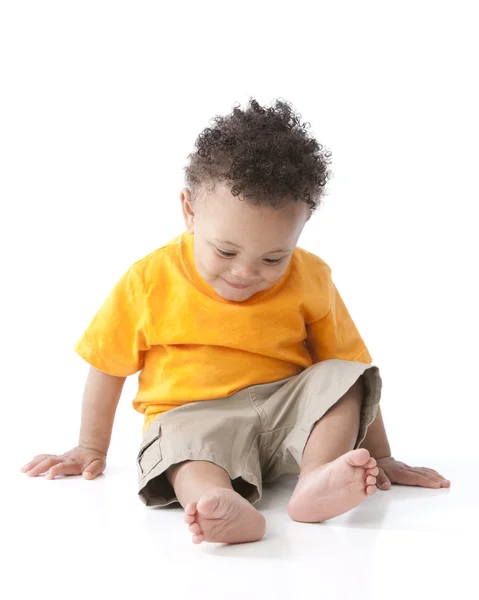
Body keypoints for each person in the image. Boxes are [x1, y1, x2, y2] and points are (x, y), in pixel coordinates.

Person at [21, 98, 450, 545]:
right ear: (189, 210)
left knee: (347, 376)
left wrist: (381, 455)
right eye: (225, 251)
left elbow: (350, 368)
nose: (245, 272)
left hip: (284, 417)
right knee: (182, 448)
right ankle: (216, 503)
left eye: (273, 257)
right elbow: (107, 366)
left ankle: (316, 478)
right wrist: (91, 448)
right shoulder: (148, 280)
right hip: (193, 418)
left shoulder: (312, 277)